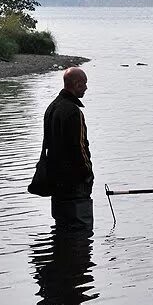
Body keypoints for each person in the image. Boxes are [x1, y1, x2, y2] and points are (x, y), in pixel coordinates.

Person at [43, 67, 94, 230]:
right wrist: (88, 174)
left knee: (62, 228)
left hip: (56, 182)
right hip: (74, 184)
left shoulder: (52, 108)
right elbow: (79, 147)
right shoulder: (73, 111)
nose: (86, 88)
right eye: (84, 84)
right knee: (80, 232)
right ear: (76, 84)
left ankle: (61, 254)